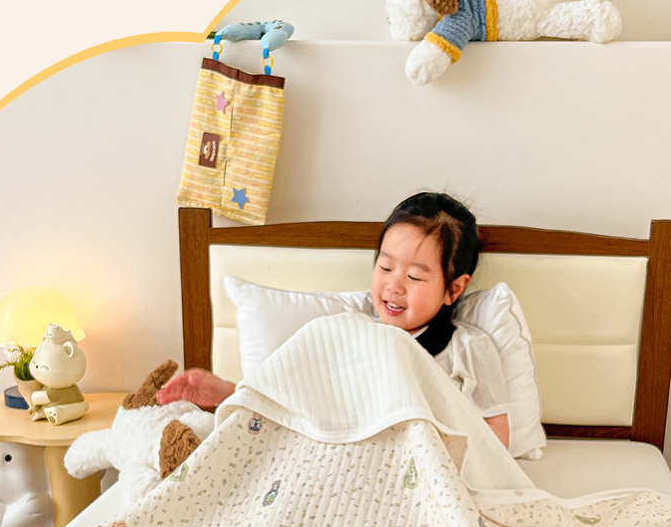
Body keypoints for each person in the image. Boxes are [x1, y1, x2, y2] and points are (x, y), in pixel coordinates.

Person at [158, 192, 510, 449]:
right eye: (385, 267)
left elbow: (497, 436)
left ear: (453, 289)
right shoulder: (348, 332)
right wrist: (226, 392)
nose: (394, 286)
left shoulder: (469, 349)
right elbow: (298, 407)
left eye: (415, 277)